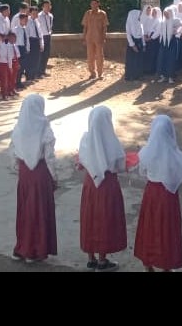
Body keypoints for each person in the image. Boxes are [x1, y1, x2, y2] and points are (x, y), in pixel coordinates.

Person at [133, 114, 182, 272]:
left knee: (149, 227)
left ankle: (148, 265)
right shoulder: (174, 155)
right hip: (167, 195)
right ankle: (166, 266)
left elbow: (143, 171)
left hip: (151, 193)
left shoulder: (146, 152)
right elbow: (179, 177)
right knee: (166, 230)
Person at [9, 93, 58, 263]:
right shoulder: (45, 129)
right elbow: (49, 157)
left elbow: (13, 154)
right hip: (41, 173)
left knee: (25, 211)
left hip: (25, 174)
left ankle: (22, 247)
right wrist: (54, 177)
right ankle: (35, 250)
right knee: (39, 212)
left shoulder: (18, 129)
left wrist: (19, 169)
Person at [77, 105, 127, 272]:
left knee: (90, 217)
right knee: (104, 219)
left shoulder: (85, 139)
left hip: (90, 184)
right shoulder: (112, 142)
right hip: (107, 185)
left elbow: (81, 161)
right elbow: (120, 165)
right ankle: (102, 260)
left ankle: (91, 258)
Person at [81, 0, 109, 79]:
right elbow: (85, 27)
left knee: (100, 56)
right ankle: (92, 73)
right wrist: (84, 38)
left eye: (95, 4)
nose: (93, 5)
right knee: (90, 56)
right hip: (89, 38)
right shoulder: (87, 13)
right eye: (92, 4)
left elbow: (105, 27)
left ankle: (100, 73)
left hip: (99, 38)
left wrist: (104, 37)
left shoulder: (102, 14)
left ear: (98, 4)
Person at [124, 9, 145, 81]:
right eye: (139, 14)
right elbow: (128, 35)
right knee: (131, 60)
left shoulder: (140, 23)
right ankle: (130, 76)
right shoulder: (129, 24)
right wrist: (133, 45)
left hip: (139, 42)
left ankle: (138, 75)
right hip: (132, 43)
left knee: (139, 60)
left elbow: (142, 34)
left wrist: (144, 44)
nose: (140, 16)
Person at [37, 0, 54, 77]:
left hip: (48, 36)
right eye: (46, 6)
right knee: (41, 54)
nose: (47, 8)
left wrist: (50, 31)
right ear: (42, 7)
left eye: (49, 6)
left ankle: (43, 71)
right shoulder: (39, 16)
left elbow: (50, 26)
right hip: (42, 36)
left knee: (46, 54)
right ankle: (38, 72)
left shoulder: (51, 16)